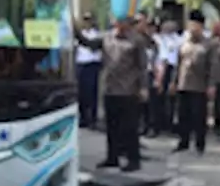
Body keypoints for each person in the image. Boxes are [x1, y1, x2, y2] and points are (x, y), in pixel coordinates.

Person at [98, 15, 147, 171]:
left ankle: (134, 160)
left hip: (128, 89)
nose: (118, 24)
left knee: (129, 128)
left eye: (122, 21)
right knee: (111, 126)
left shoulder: (136, 40)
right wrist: (74, 29)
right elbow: (88, 43)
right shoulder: (107, 38)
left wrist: (143, 87)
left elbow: (142, 66)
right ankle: (112, 158)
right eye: (117, 21)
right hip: (110, 88)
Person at [174, 11, 214, 155]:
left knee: (198, 116)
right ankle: (183, 142)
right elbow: (178, 63)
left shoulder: (208, 45)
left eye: (196, 25)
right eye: (191, 25)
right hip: (183, 83)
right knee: (182, 114)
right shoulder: (183, 43)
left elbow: (212, 65)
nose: (193, 28)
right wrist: (174, 81)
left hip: (200, 85)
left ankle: (199, 144)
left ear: (201, 26)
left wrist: (211, 84)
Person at [153, 19, 183, 135]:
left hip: (171, 69)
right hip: (160, 68)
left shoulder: (177, 41)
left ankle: (170, 123)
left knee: (171, 99)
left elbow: (173, 58)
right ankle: (160, 122)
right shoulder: (159, 39)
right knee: (159, 98)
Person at [74, 13, 103, 128]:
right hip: (81, 64)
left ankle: (92, 118)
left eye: (89, 20)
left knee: (92, 92)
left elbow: (91, 45)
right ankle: (83, 117)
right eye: (85, 20)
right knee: (82, 92)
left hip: (92, 64)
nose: (87, 22)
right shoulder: (82, 34)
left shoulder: (96, 35)